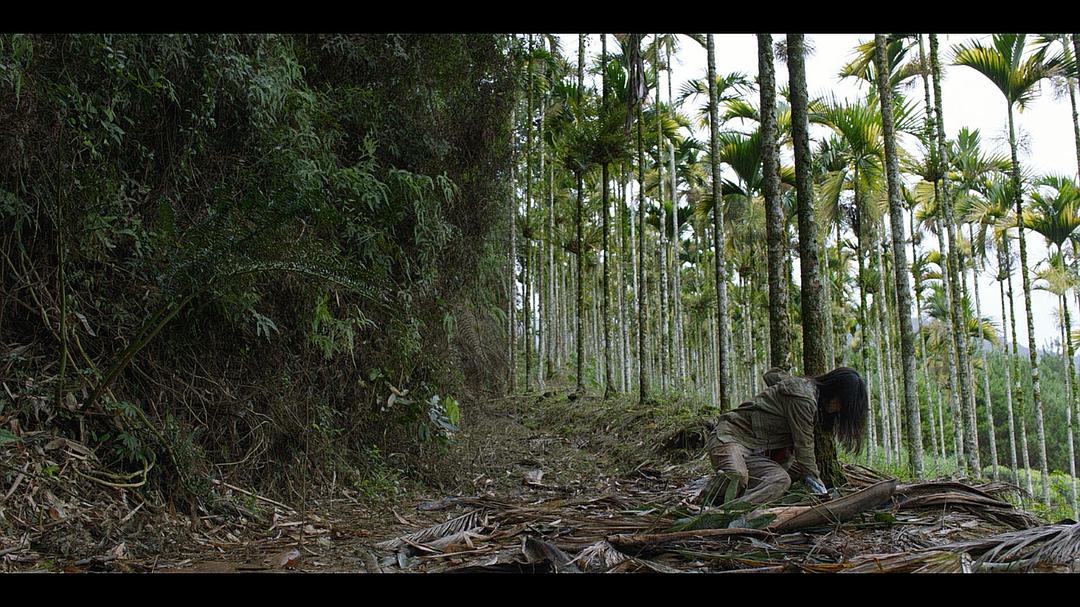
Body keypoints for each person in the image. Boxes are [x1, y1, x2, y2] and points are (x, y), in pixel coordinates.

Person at [694, 366, 868, 506]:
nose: (839, 409)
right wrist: (816, 482)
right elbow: (804, 444)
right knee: (736, 476)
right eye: (841, 403)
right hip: (730, 437)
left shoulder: (806, 392)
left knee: (780, 480)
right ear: (834, 392)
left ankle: (736, 510)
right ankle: (708, 501)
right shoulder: (804, 399)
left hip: (755, 450)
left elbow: (772, 376)